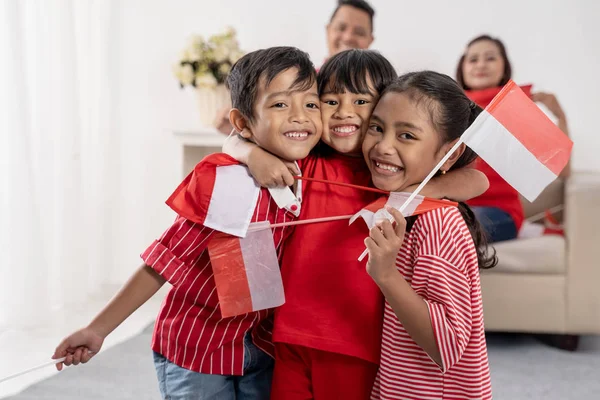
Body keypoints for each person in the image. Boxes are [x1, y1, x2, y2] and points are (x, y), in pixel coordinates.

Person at [51, 46, 323, 400]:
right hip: (196, 349)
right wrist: (98, 329)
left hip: (259, 347)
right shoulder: (228, 184)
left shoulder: (314, 173)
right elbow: (163, 262)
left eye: (311, 104)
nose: (300, 117)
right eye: (280, 104)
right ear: (243, 123)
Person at [224, 49, 490, 399]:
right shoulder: (307, 160)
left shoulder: (388, 177)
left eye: (362, 101)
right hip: (290, 336)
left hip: (356, 345)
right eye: (329, 100)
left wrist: (420, 191)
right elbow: (235, 138)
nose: (345, 112)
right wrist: (251, 153)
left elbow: (476, 180)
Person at [362, 71, 495, 399]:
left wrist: (386, 276)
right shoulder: (407, 207)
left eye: (406, 135)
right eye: (377, 128)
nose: (383, 146)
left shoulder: (439, 225)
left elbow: (446, 345)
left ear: (449, 155)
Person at [456, 34, 571, 242]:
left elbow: (562, 170)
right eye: (473, 59)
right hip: (453, 205)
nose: (481, 64)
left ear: (504, 65)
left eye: (490, 58)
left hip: (498, 212)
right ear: (462, 67)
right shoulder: (447, 107)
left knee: (454, 229)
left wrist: (561, 116)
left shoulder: (516, 109)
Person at [214, 0, 376, 135]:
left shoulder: (380, 88)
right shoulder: (301, 80)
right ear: (328, 30)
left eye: (359, 32)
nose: (348, 37)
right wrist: (244, 143)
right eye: (341, 28)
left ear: (370, 39)